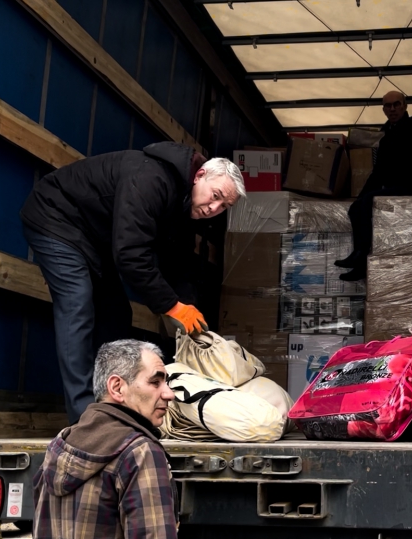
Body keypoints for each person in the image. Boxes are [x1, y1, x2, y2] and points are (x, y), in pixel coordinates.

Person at [20, 142, 245, 423]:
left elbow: (176, 262)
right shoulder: (150, 179)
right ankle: (85, 419)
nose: (214, 207)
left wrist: (189, 307)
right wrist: (172, 307)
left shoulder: (185, 206)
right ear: (199, 176)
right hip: (56, 217)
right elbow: (130, 255)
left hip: (94, 238)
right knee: (77, 304)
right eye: (215, 196)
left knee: (116, 314)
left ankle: (116, 405)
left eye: (224, 206)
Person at [31, 339, 179, 539]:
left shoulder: (61, 444)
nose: (169, 394)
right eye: (155, 382)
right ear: (117, 388)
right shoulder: (139, 452)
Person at [335, 91, 412, 281]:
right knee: (357, 207)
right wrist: (360, 196)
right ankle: (360, 263)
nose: (392, 109)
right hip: (396, 187)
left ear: (404, 105)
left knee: (370, 201)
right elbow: (378, 172)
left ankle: (361, 254)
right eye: (388, 106)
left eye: (396, 104)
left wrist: (368, 196)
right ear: (383, 109)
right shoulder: (386, 136)